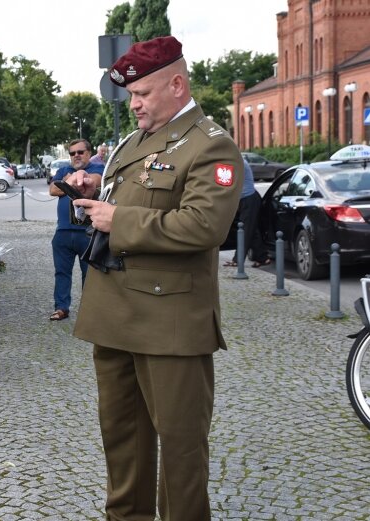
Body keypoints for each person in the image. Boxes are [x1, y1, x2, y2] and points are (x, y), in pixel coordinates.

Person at [65, 36, 243, 520]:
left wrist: (116, 219)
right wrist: (93, 188)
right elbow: (136, 195)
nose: (135, 104)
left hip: (170, 324)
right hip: (115, 314)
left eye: (142, 94)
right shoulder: (135, 141)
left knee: (182, 451)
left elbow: (205, 226)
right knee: (122, 441)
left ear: (177, 84)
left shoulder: (211, 145)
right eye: (131, 96)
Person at [48, 138, 105, 321]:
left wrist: (68, 182)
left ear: (89, 153)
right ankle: (61, 308)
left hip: (87, 232)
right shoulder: (64, 170)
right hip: (63, 231)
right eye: (72, 153)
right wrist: (67, 183)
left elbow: (92, 182)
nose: (76, 156)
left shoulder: (97, 169)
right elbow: (52, 190)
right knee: (61, 272)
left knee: (89, 274)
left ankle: (89, 310)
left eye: (80, 152)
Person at [224, 158, 271, 267]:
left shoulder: (237, 162)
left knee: (245, 231)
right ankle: (263, 258)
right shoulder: (233, 160)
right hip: (243, 199)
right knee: (252, 231)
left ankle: (237, 260)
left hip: (248, 199)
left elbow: (226, 182)